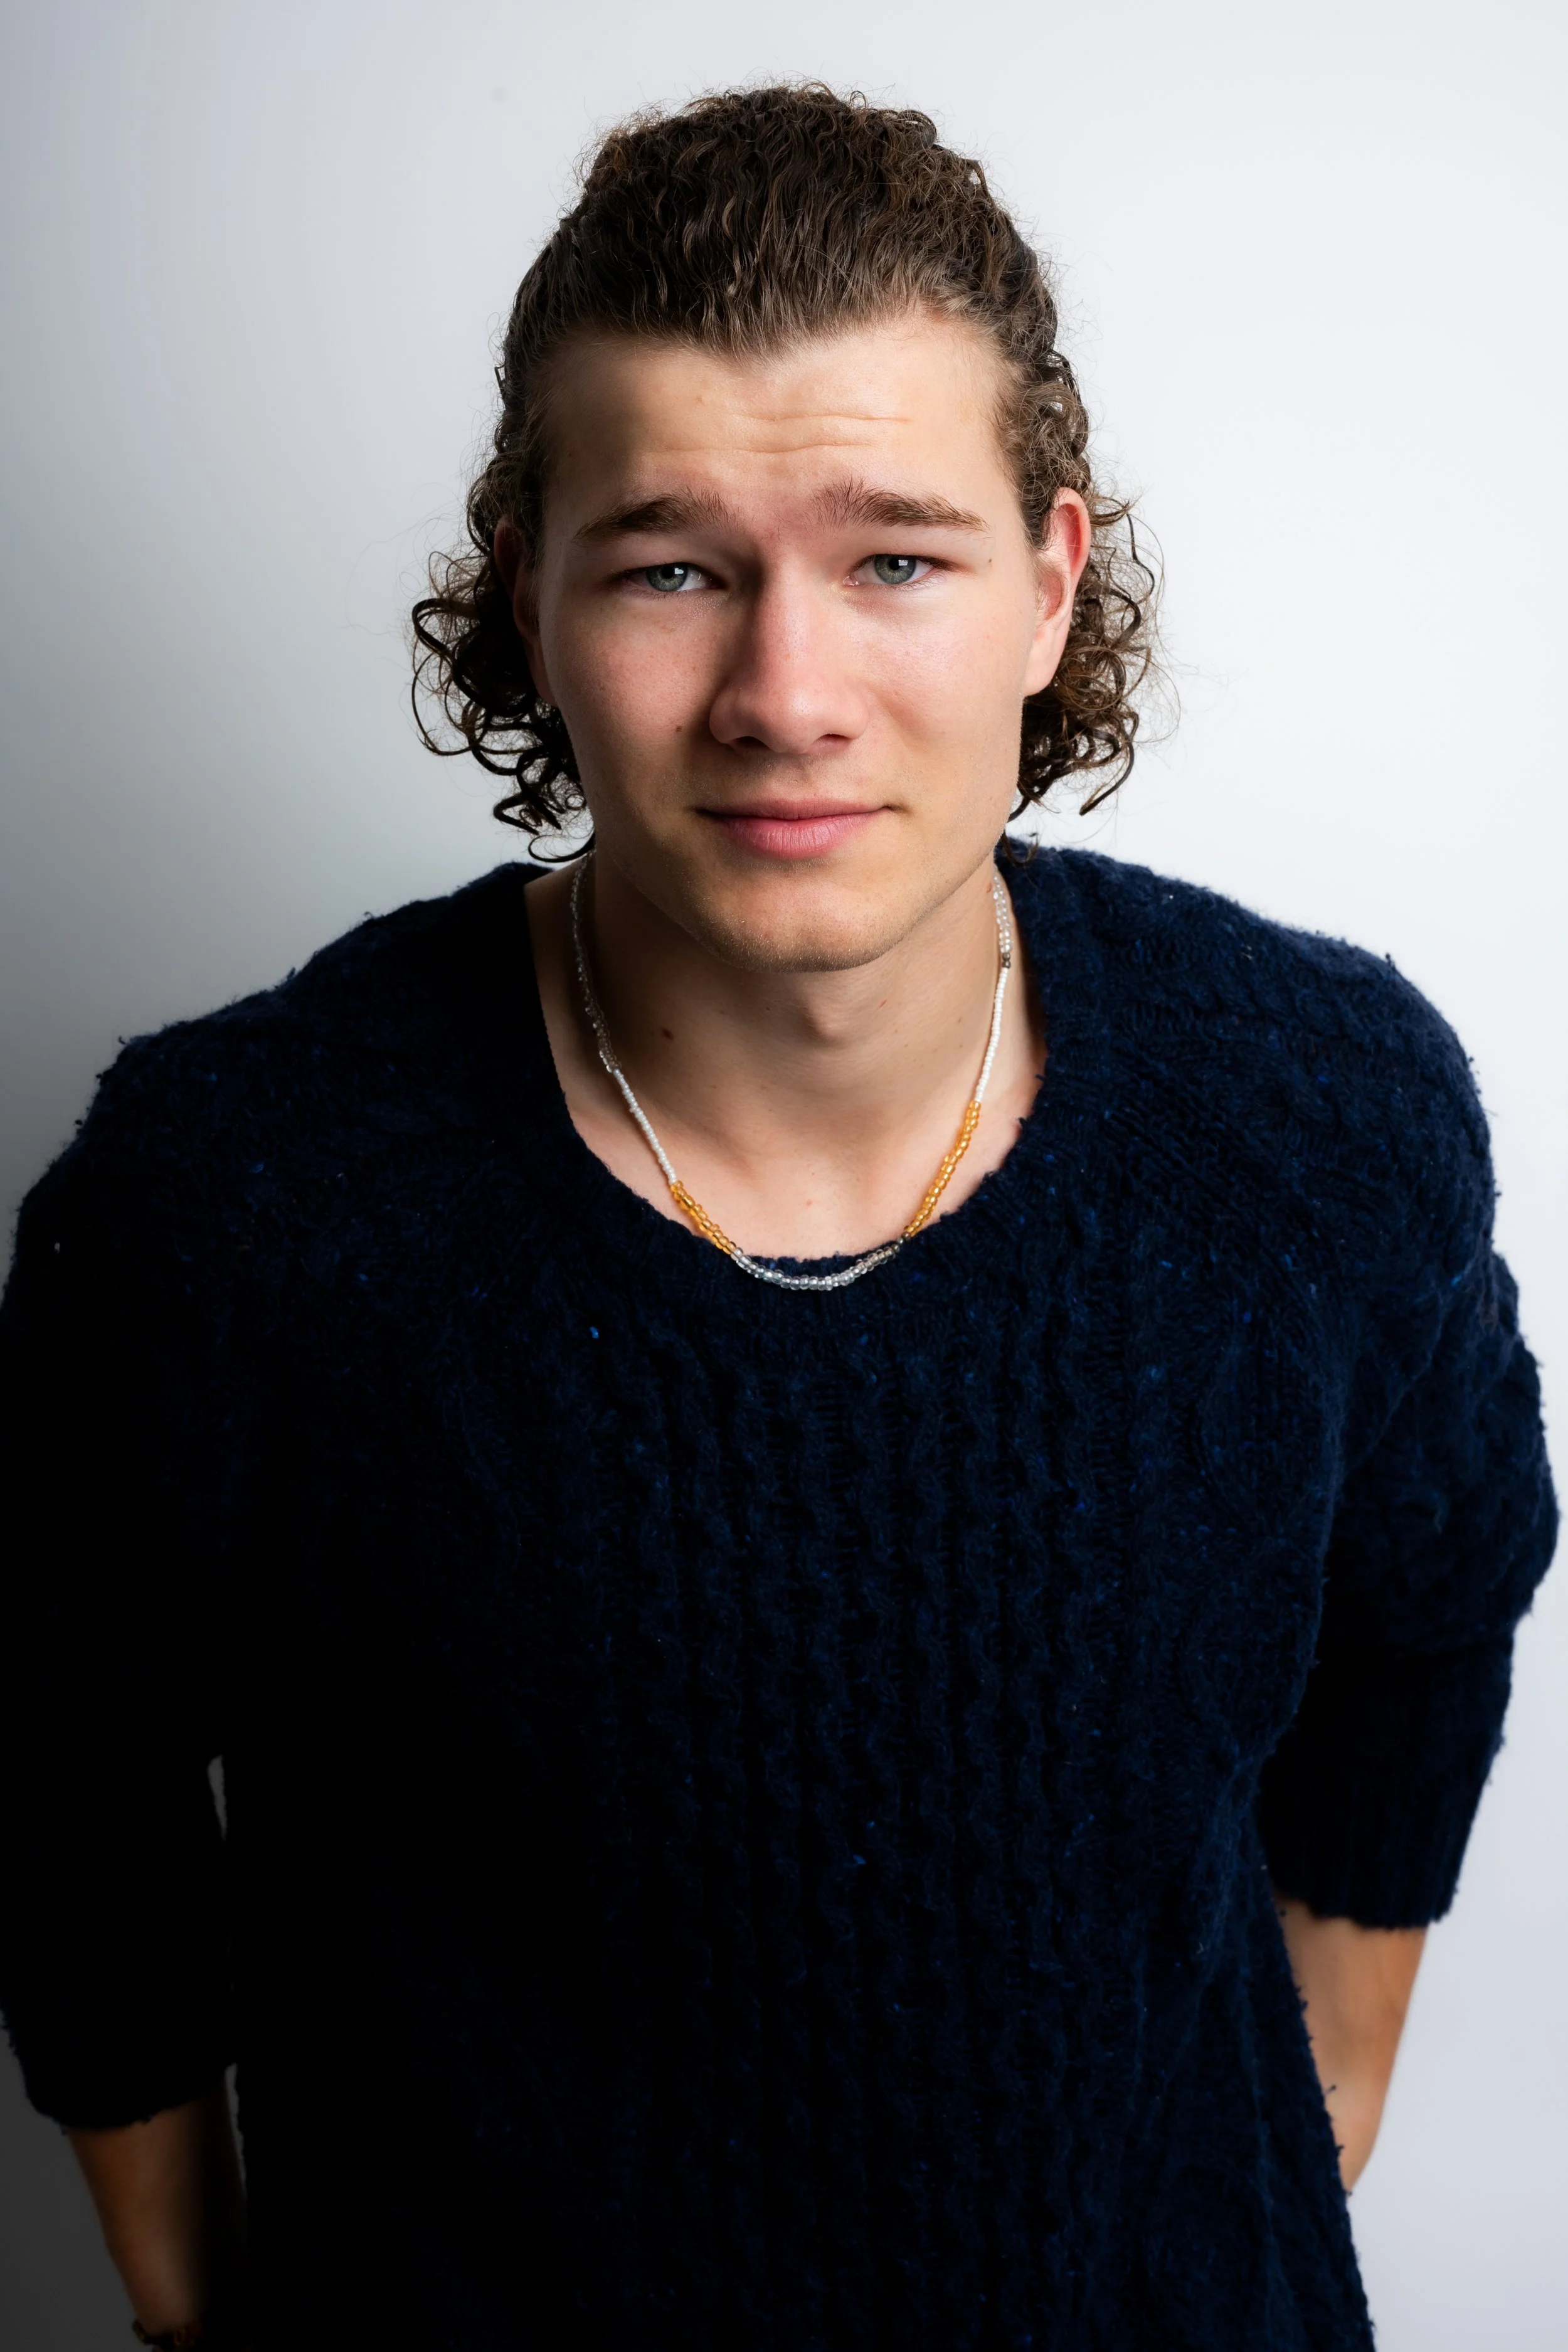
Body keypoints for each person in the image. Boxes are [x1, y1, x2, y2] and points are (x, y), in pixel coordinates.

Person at [0, 83, 1555, 2352]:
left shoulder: (1321, 1112)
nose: (785, 696)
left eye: (893, 556)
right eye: (669, 565)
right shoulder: (233, 1195)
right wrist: (191, 2296)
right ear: (527, 594)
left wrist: (1291, 2125)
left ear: (1049, 579)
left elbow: (1435, 1599)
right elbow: (64, 1752)